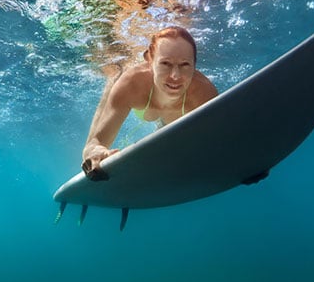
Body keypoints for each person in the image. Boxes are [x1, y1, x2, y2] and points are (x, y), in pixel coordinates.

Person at [81, 26, 218, 181]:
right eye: (165, 63)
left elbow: (221, 140)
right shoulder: (130, 84)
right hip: (137, 92)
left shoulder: (204, 92)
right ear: (150, 60)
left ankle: (162, 127)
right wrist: (95, 152)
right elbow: (96, 142)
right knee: (113, 80)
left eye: (185, 65)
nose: (175, 75)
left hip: (173, 117)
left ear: (194, 64)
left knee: (169, 131)